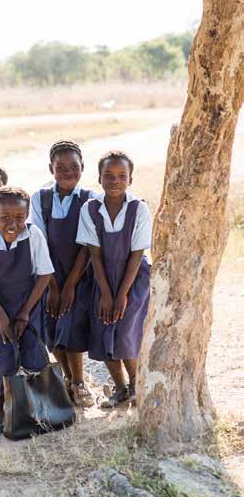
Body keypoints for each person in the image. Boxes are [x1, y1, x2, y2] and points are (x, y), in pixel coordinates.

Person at [0, 186, 54, 433]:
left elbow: (45, 274)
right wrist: (0, 316)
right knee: (4, 354)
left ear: (27, 214)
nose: (12, 224)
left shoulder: (34, 235)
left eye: (19, 217)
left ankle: (40, 408)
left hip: (28, 302)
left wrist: (25, 312)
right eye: (5, 218)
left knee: (32, 351)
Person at [76, 150, 152, 407]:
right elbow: (94, 254)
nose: (115, 181)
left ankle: (136, 385)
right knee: (105, 329)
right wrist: (107, 294)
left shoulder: (138, 208)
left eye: (122, 176)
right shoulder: (91, 208)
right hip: (103, 277)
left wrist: (121, 295)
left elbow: (136, 254)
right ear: (99, 178)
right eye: (108, 175)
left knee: (126, 334)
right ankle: (119, 388)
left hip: (133, 279)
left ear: (130, 179)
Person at [29, 140, 95, 408]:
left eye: (74, 167)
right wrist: (54, 286)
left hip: (79, 274)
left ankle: (79, 381)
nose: (68, 172)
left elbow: (88, 246)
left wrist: (68, 287)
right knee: (51, 325)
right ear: (50, 169)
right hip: (47, 273)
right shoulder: (40, 199)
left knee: (72, 325)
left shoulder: (90, 199)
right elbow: (39, 241)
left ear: (83, 168)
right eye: (61, 167)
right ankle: (67, 377)